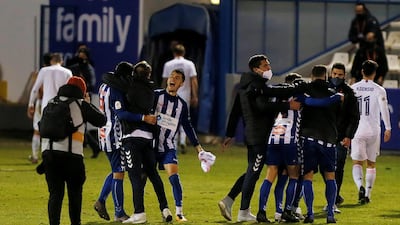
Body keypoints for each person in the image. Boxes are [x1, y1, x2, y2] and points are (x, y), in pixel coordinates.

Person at [218, 54, 302, 222]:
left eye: (268, 65)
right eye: (265, 66)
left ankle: (228, 200)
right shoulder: (257, 84)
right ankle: (243, 212)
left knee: (252, 170)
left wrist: (229, 133)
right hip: (259, 134)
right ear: (256, 69)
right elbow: (263, 106)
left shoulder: (245, 86)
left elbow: (235, 111)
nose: (269, 68)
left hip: (252, 134)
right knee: (254, 172)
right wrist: (287, 105)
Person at [110, 61, 172, 224]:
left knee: (135, 176)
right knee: (153, 174)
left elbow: (122, 114)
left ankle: (139, 213)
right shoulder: (151, 90)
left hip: (132, 137)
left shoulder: (126, 88)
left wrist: (141, 117)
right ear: (149, 75)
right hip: (148, 138)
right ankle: (165, 209)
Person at [40, 76, 106, 225]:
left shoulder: (52, 103)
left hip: (49, 156)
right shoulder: (81, 104)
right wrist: (88, 103)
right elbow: (101, 120)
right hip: (72, 158)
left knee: (55, 195)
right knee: (74, 196)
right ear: (82, 91)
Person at [155, 69, 212, 222]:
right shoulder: (156, 96)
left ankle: (179, 213)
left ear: (181, 83)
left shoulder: (181, 105)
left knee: (174, 178)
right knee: (141, 179)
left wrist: (198, 147)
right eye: (171, 76)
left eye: (177, 77)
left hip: (168, 146)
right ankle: (139, 212)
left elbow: (188, 127)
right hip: (151, 146)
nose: (173, 79)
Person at [298, 65, 341, 224]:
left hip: (309, 139)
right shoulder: (334, 94)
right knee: (330, 176)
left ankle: (310, 214)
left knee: (308, 176)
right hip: (329, 140)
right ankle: (330, 213)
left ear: (312, 75)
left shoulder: (305, 90)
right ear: (326, 76)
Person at [93, 62, 134, 222]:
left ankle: (101, 201)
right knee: (119, 172)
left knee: (116, 170)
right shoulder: (116, 90)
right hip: (114, 136)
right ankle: (119, 213)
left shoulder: (104, 86)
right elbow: (120, 113)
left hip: (103, 133)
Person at [351, 60, 391, 204]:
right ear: (375, 73)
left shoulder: (353, 88)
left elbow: (348, 111)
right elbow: (384, 110)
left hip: (357, 130)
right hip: (373, 130)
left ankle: (359, 186)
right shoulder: (379, 90)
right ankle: (367, 194)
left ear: (362, 71)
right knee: (371, 163)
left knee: (357, 162)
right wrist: (388, 128)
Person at [322, 63, 360, 213]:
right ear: (330, 74)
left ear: (345, 76)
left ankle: (332, 201)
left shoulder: (350, 93)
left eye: (340, 75)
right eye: (335, 74)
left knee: (337, 168)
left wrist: (348, 136)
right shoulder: (323, 90)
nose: (337, 77)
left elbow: (354, 118)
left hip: (340, 137)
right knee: (323, 168)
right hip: (324, 136)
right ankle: (335, 196)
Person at [161, 44, 199, 154]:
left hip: (171, 94)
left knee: (170, 118)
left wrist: (162, 93)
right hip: (185, 93)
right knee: (185, 117)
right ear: (183, 53)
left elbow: (165, 80)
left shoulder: (168, 64)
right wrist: (195, 95)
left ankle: (173, 142)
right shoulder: (189, 64)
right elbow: (194, 80)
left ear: (174, 53)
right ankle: (183, 140)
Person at [27, 53, 72, 118]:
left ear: (51, 61)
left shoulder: (44, 70)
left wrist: (30, 104)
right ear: (62, 61)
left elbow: (35, 89)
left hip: (46, 106)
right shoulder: (68, 72)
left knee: (46, 127)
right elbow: (70, 91)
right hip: (62, 107)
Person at [28, 52, 52, 164]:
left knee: (37, 132)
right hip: (52, 104)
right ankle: (46, 157)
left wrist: (31, 105)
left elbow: (37, 90)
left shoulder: (41, 73)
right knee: (49, 132)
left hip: (41, 103)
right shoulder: (55, 73)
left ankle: (35, 156)